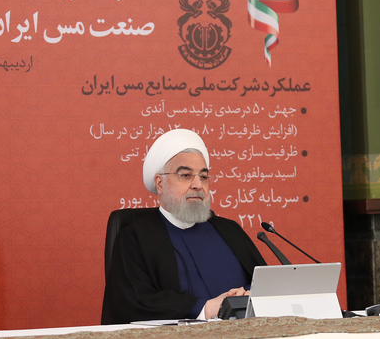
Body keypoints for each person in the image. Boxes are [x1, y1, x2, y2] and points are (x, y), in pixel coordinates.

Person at [101, 129, 266, 324]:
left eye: (203, 177)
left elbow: (265, 284)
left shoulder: (229, 231)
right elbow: (134, 301)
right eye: (186, 175)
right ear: (160, 184)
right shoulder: (134, 238)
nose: (198, 185)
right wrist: (205, 308)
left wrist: (245, 295)